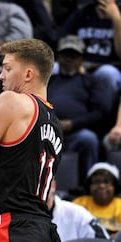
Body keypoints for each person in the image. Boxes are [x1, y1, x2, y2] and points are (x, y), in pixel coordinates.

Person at [0, 38, 63, 241]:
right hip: (44, 230)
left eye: (7, 68)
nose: (0, 75)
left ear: (28, 74)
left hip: (13, 227)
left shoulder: (11, 102)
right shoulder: (56, 124)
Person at [48, 35, 113, 184]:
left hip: (76, 133)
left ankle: (87, 185)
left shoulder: (91, 81)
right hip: (49, 131)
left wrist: (72, 123)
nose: (69, 59)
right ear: (58, 57)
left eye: (74, 55)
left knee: (88, 139)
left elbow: (101, 111)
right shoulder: (48, 81)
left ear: (81, 59)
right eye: (65, 55)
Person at [57, 0, 121, 101]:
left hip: (109, 67)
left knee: (108, 74)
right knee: (53, 68)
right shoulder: (83, 12)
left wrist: (117, 19)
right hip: (79, 64)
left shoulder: (118, 14)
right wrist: (76, 63)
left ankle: (103, 113)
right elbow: (60, 40)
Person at [73, 162, 121, 237]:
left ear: (115, 186)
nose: (102, 186)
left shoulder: (120, 205)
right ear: (89, 185)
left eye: (106, 182)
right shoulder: (79, 203)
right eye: (96, 182)